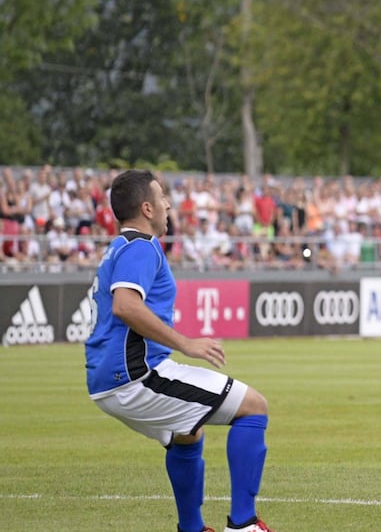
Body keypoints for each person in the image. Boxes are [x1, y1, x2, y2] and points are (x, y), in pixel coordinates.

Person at [84, 170, 273, 532]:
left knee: (189, 432)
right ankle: (244, 525)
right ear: (146, 208)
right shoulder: (141, 246)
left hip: (112, 378)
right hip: (135, 377)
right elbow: (125, 306)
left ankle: (192, 528)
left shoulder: (120, 247)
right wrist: (187, 343)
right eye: (162, 198)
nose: (168, 204)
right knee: (254, 408)